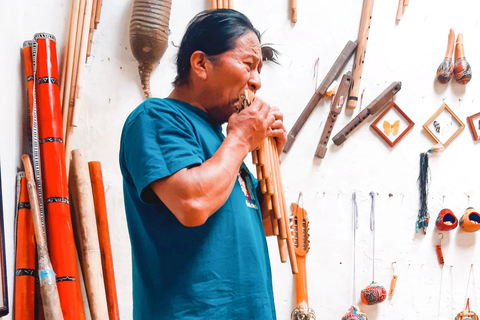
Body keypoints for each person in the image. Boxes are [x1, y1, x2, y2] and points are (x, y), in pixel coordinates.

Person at [120, 9, 286, 319]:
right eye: (248, 65)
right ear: (200, 64)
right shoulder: (156, 117)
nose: (257, 82)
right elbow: (192, 203)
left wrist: (269, 158)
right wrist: (240, 139)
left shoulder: (224, 141)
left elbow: (259, 226)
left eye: (259, 69)